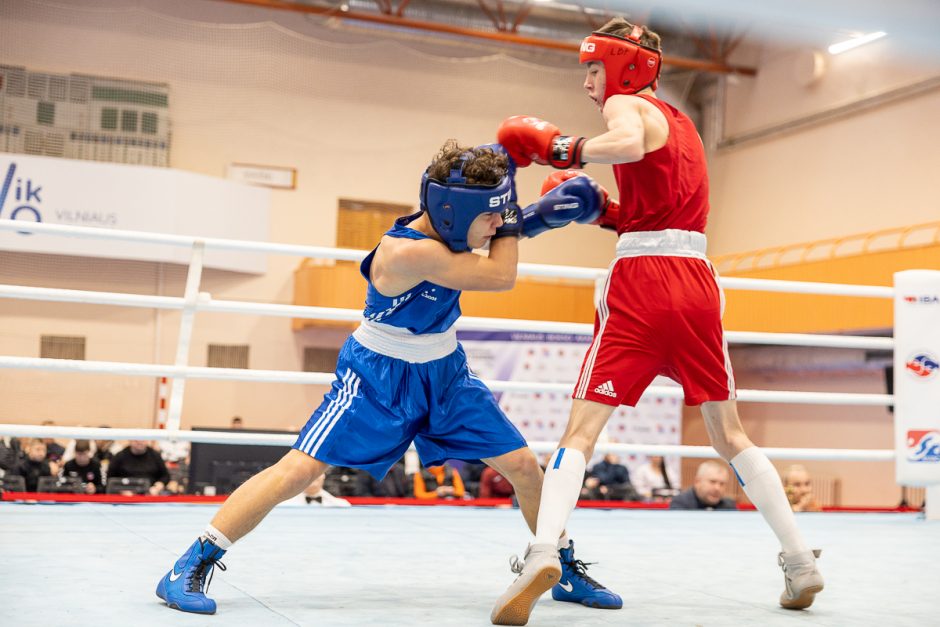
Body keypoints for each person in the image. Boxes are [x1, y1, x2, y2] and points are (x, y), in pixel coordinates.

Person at [156, 140, 621, 616]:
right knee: (299, 471)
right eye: (491, 217)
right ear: (453, 214)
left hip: (445, 373)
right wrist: (533, 215)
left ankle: (560, 565)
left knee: (524, 467)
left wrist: (520, 185)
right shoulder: (405, 253)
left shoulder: (452, 233)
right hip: (377, 376)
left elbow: (490, 233)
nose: (498, 225)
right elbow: (501, 275)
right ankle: (191, 562)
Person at [492, 17, 824, 623]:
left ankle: (544, 550)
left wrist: (562, 149)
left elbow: (625, 144)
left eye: (594, 66)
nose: (589, 79)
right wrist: (603, 212)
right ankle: (800, 559)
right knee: (730, 436)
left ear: (620, 68)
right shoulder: (682, 124)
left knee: (580, 432)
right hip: (696, 281)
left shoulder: (627, 108)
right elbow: (661, 211)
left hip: (641, 284)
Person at [669, 461, 737, 510]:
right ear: (697, 482)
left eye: (722, 484)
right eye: (712, 482)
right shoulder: (681, 503)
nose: (717, 488)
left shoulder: (729, 506)